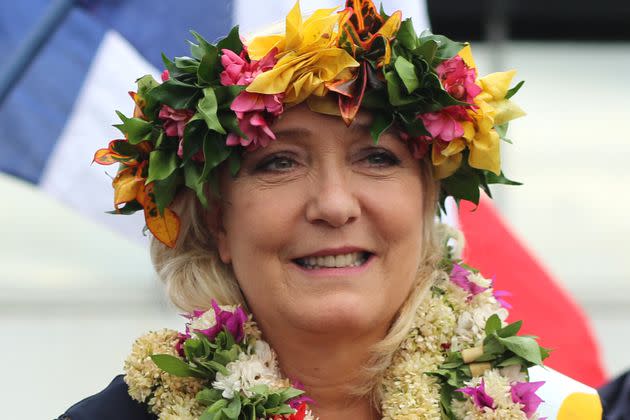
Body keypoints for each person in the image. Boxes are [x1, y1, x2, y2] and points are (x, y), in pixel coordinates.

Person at [58, 1, 604, 419]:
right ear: (218, 221)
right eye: (278, 163)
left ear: (425, 202)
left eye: (375, 155)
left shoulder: (551, 410)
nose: (335, 206)